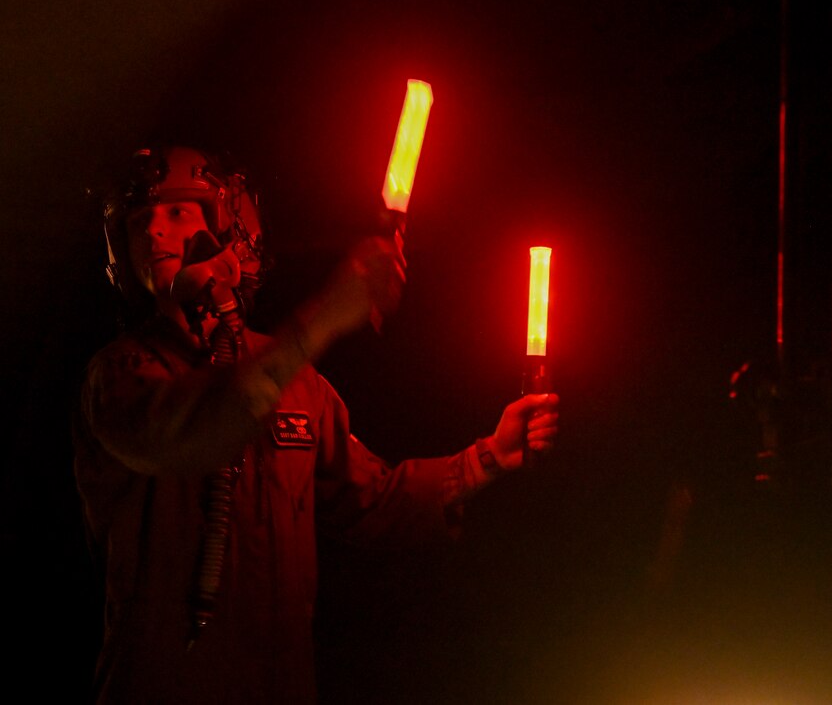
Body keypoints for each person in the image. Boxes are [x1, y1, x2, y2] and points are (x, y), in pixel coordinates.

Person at [72, 145, 559, 704]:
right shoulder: (119, 374)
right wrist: (324, 317)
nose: (154, 232)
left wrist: (487, 457)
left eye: (177, 213)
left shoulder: (298, 385)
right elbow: (186, 434)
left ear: (234, 232)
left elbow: (370, 501)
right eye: (139, 222)